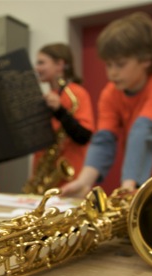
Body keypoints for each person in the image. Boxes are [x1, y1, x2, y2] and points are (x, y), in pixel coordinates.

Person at [60, 12, 152, 198]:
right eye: (108, 65)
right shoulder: (111, 93)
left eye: (120, 64)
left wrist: (128, 186)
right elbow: (104, 139)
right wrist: (84, 181)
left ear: (146, 59)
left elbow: (142, 133)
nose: (112, 73)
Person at [30, 43, 95, 187]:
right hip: (43, 178)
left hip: (70, 180)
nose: (37, 68)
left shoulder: (77, 94)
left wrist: (60, 110)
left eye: (41, 63)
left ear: (59, 64)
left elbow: (83, 136)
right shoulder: (45, 98)